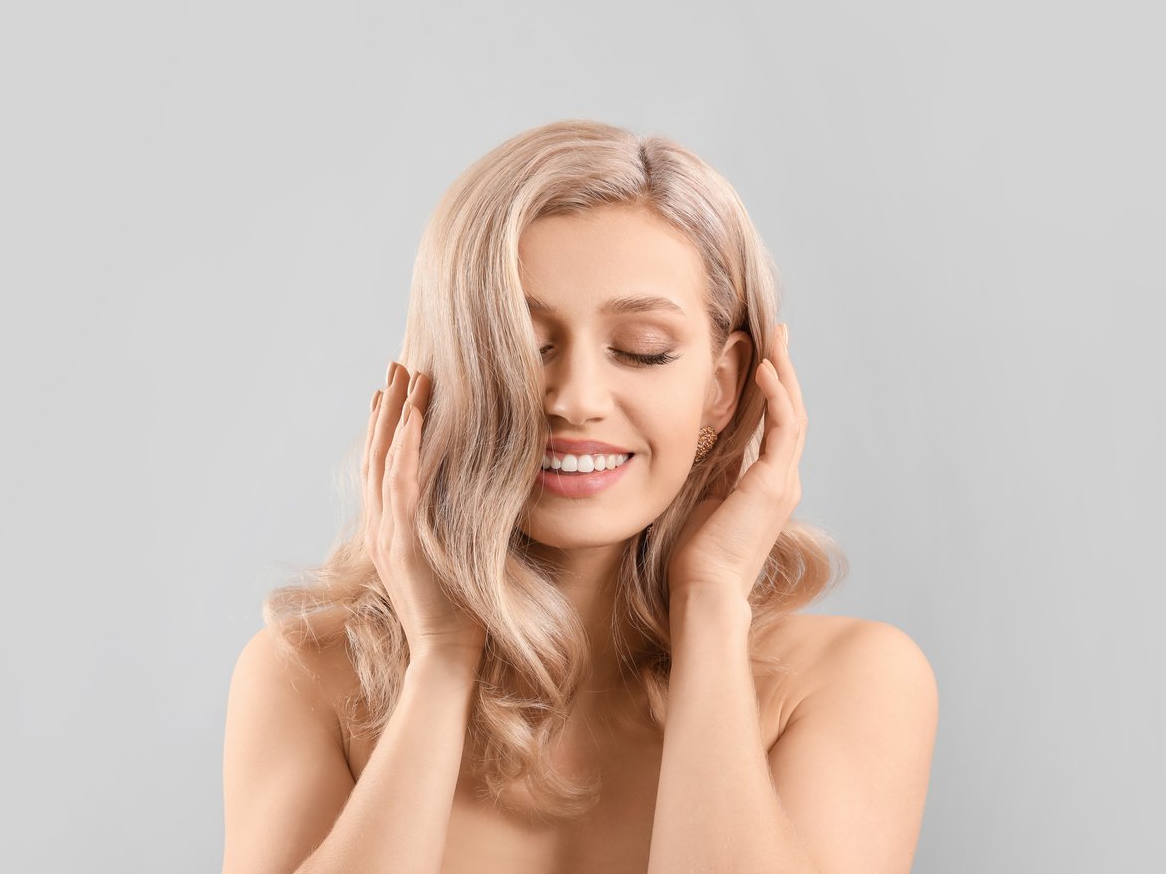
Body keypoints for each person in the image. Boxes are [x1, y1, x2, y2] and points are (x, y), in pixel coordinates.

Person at [221, 119, 938, 874]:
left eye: (642, 350)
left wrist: (711, 597)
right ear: (444, 379)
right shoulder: (306, 678)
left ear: (722, 387)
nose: (575, 399)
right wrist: (439, 659)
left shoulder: (849, 682)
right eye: (522, 349)